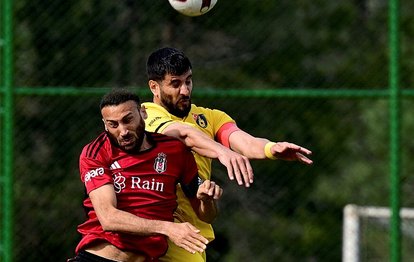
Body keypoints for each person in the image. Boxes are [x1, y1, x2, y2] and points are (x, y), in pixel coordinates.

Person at [142, 47, 313, 262]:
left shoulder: (209, 117)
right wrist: (223, 152)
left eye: (188, 81)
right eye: (175, 84)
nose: (185, 90)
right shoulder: (143, 117)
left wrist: (271, 149)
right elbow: (183, 136)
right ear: (154, 87)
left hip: (193, 232)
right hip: (158, 228)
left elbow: (244, 142)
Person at [68, 89, 225, 262]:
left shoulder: (175, 151)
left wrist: (207, 200)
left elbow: (207, 216)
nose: (123, 131)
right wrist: (168, 228)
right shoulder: (96, 153)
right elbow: (108, 218)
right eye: (113, 124)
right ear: (105, 124)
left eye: (128, 120)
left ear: (143, 113)